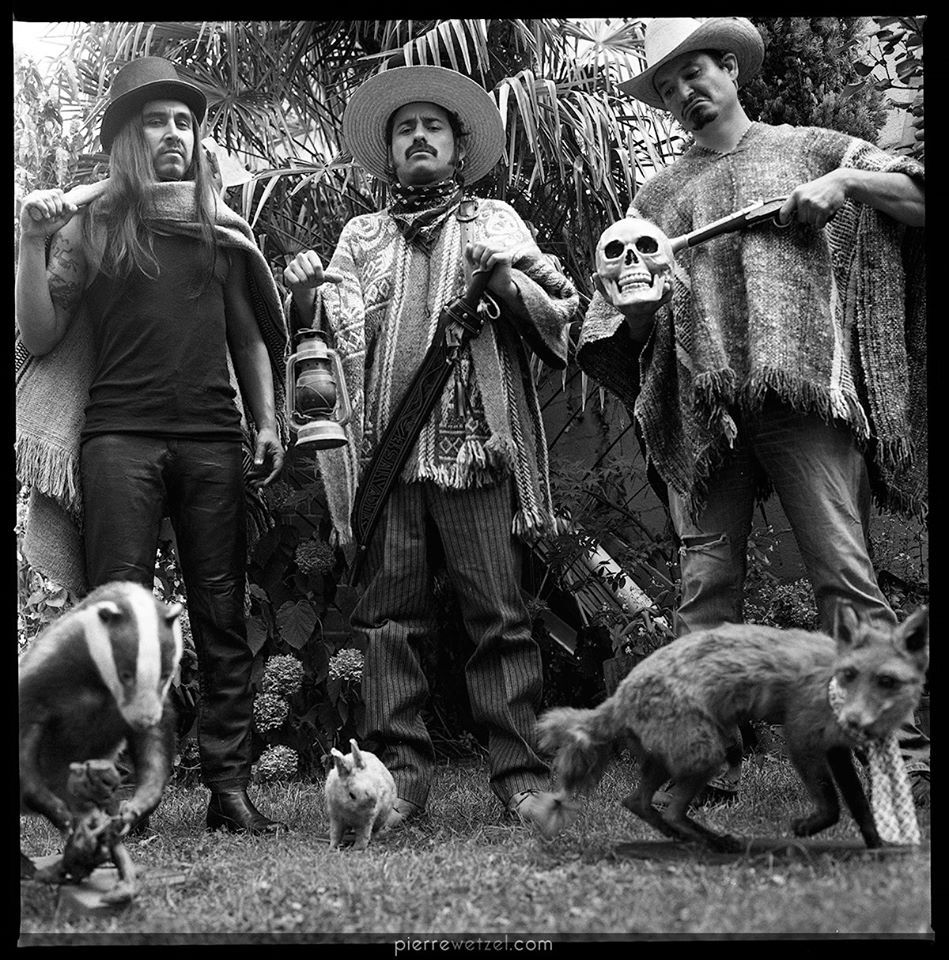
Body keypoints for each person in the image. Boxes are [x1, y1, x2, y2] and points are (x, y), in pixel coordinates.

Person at [577, 18, 928, 803]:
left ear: (731, 69)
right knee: (704, 586)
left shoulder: (812, 147)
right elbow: (618, 327)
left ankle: (891, 752)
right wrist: (639, 314)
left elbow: (916, 197)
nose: (683, 93)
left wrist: (845, 184)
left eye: (694, 73)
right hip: (703, 414)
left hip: (803, 396)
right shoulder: (657, 196)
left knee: (842, 573)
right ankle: (696, 762)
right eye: (667, 87)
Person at [283, 65, 579, 831]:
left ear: (457, 147)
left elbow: (560, 309)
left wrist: (505, 285)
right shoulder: (361, 237)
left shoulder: (496, 221)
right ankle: (400, 783)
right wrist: (306, 290)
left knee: (499, 619)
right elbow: (332, 337)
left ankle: (520, 775)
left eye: (433, 127)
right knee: (388, 627)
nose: (419, 137)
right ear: (388, 152)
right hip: (386, 463)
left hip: (476, 452)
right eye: (405, 129)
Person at [16, 57, 290, 834]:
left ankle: (229, 789)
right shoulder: (90, 225)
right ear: (124, 141)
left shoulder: (218, 224)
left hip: (212, 439)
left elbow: (248, 337)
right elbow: (41, 334)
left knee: (222, 615)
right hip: (118, 440)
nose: (173, 133)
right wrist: (30, 245)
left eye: (183, 122)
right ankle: (124, 795)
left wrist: (265, 420)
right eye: (154, 122)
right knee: (117, 628)